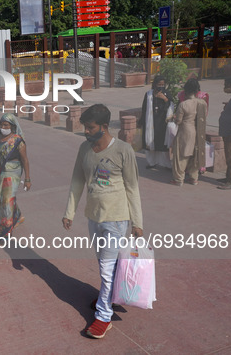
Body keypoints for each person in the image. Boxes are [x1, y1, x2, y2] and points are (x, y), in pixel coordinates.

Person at [62, 104, 143, 339]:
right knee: (104, 265)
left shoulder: (123, 150)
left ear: (105, 127)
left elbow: (132, 187)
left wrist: (137, 222)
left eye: (90, 128)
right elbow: (77, 181)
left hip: (117, 219)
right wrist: (70, 212)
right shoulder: (84, 149)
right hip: (94, 217)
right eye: (85, 127)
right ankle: (112, 296)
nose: (86, 132)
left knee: (107, 269)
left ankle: (103, 316)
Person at [0, 113, 31, 237]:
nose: (3, 127)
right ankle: (17, 216)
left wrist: (27, 179)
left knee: (6, 200)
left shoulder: (18, 141)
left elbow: (25, 160)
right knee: (4, 198)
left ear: (12, 126)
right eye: (1, 124)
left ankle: (5, 231)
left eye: (6, 125)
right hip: (0, 172)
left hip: (13, 173)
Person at [170, 79, 208, 186]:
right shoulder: (202, 103)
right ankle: (194, 178)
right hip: (198, 131)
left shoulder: (183, 104)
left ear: (186, 91)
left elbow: (178, 121)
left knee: (181, 156)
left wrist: (174, 118)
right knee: (195, 155)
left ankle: (178, 179)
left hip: (185, 131)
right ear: (197, 90)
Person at [140, 75, 172, 169]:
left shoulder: (167, 94)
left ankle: (166, 164)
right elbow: (144, 108)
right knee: (150, 143)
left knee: (162, 145)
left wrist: (165, 99)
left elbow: (170, 106)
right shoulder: (148, 94)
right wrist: (141, 121)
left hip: (162, 123)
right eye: (159, 84)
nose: (161, 86)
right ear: (155, 84)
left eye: (163, 84)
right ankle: (152, 162)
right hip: (150, 122)